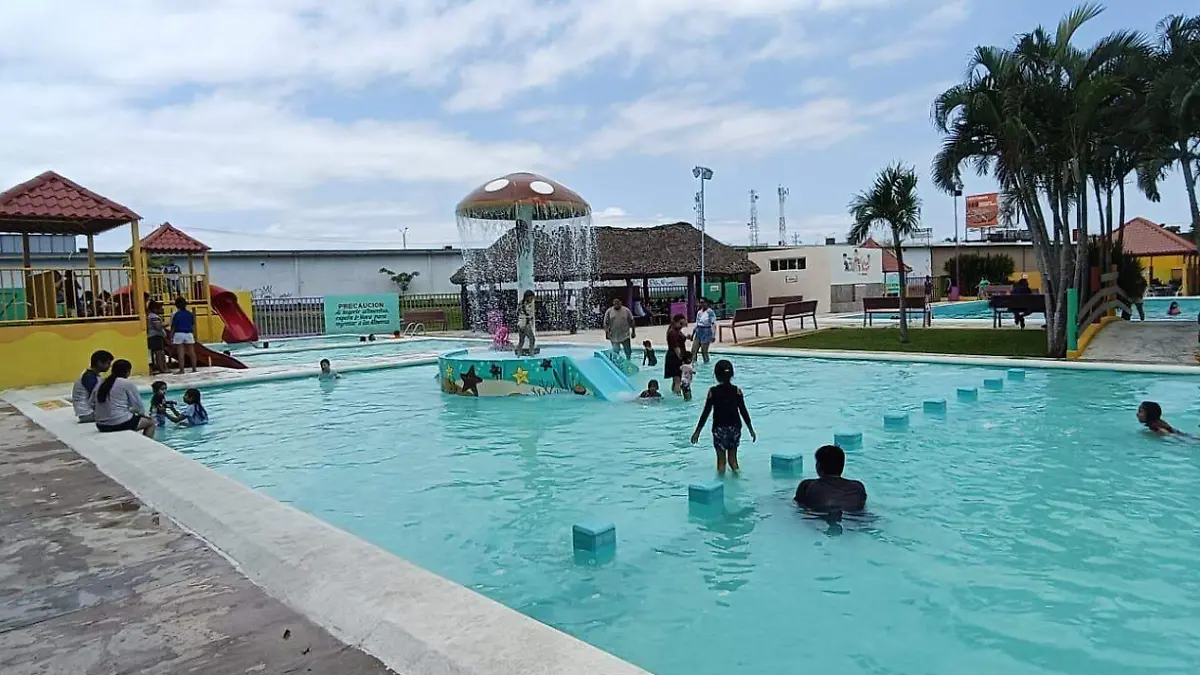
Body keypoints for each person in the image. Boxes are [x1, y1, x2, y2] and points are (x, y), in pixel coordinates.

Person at [690, 359, 756, 474]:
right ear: (732, 374)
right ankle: (738, 477)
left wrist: (697, 432)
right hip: (735, 428)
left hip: (719, 429)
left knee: (721, 463)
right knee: (733, 461)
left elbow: (706, 413)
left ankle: (721, 485)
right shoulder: (737, 391)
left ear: (716, 375)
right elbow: (743, 411)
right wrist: (751, 429)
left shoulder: (713, 391)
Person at [91, 359, 156, 438]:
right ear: (128, 372)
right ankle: (147, 444)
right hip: (118, 423)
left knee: (129, 416)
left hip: (101, 425)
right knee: (151, 422)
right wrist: (145, 416)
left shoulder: (101, 382)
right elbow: (139, 408)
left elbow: (92, 403)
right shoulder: (127, 384)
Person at [794, 445, 868, 513]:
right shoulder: (858, 487)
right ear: (842, 466)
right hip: (855, 521)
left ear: (818, 466)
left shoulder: (807, 486)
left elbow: (800, 510)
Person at [72, 350, 113, 423]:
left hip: (87, 412)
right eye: (108, 363)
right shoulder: (89, 377)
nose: (110, 366)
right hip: (88, 414)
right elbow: (100, 396)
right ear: (99, 363)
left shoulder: (92, 375)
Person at [170, 297, 197, 374]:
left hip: (179, 333)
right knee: (192, 352)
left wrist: (171, 337)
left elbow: (173, 327)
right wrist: (194, 335)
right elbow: (192, 325)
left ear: (176, 305)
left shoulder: (176, 315)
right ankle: (194, 369)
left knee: (180, 353)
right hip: (189, 333)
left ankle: (182, 370)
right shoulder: (190, 314)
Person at [664, 313, 689, 395]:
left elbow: (680, 338)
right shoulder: (673, 333)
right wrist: (682, 359)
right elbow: (676, 348)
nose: (682, 325)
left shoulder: (675, 330)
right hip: (675, 357)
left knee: (675, 379)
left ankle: (674, 395)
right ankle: (677, 397)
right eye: (681, 323)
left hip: (673, 356)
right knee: (678, 380)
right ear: (676, 322)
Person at [691, 298, 717, 364]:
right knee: (693, 350)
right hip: (699, 331)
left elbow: (713, 324)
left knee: (704, 351)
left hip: (706, 331)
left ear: (706, 303)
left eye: (703, 302)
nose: (701, 304)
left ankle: (706, 364)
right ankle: (694, 364)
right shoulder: (699, 312)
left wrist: (713, 335)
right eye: (700, 302)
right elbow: (697, 324)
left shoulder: (710, 312)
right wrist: (692, 334)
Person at [147, 300, 169, 374]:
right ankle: (162, 369)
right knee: (159, 353)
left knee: (160, 353)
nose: (161, 309)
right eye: (159, 308)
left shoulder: (151, 316)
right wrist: (168, 324)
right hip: (155, 337)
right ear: (154, 309)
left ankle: (163, 368)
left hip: (156, 337)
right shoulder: (153, 316)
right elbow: (158, 327)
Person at [515, 290, 537, 356]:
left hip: (520, 324)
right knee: (532, 339)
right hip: (525, 324)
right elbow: (529, 314)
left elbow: (517, 313)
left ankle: (518, 355)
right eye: (531, 297)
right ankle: (532, 354)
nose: (532, 299)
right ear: (527, 297)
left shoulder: (520, 303)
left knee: (521, 341)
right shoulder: (527, 304)